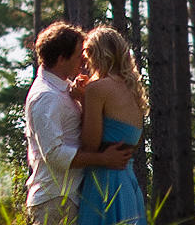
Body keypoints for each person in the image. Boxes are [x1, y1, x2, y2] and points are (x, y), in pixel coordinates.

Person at [25, 21, 136, 225]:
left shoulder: (65, 88)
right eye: (78, 55)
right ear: (61, 59)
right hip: (55, 199)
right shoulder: (45, 96)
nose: (83, 61)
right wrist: (103, 159)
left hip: (71, 195)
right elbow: (54, 154)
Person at [71, 26, 150, 225]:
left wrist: (82, 102)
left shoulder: (97, 89)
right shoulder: (133, 90)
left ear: (94, 55)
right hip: (128, 181)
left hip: (104, 181)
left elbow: (90, 144)